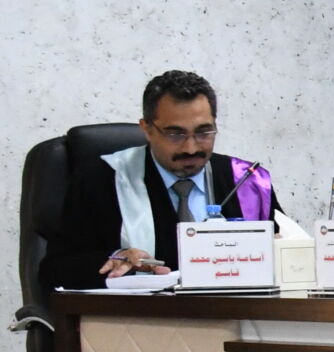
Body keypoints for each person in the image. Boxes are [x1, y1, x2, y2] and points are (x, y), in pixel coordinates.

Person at [39, 70, 282, 292]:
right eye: (175, 134)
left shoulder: (247, 182)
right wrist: (115, 258)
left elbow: (287, 254)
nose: (191, 148)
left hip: (234, 318)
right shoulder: (103, 180)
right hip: (139, 320)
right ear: (147, 129)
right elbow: (54, 270)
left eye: (203, 132)